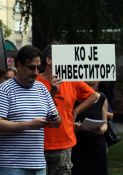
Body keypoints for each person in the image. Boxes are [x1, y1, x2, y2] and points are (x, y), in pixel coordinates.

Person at [0, 45, 61, 175]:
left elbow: (57, 122)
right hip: (12, 165)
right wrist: (29, 125)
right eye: (31, 67)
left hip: (38, 164)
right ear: (19, 65)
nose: (35, 72)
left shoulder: (42, 89)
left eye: (38, 68)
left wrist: (55, 118)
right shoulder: (5, 89)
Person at [36, 41, 99, 175]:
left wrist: (76, 110)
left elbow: (94, 95)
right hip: (38, 144)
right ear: (49, 60)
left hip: (64, 144)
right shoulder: (35, 81)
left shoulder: (71, 79)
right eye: (63, 56)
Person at [71, 81, 108, 175]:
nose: (91, 87)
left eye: (93, 85)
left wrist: (101, 130)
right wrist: (75, 126)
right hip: (78, 142)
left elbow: (105, 123)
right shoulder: (74, 97)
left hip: (97, 142)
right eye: (88, 85)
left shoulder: (102, 97)